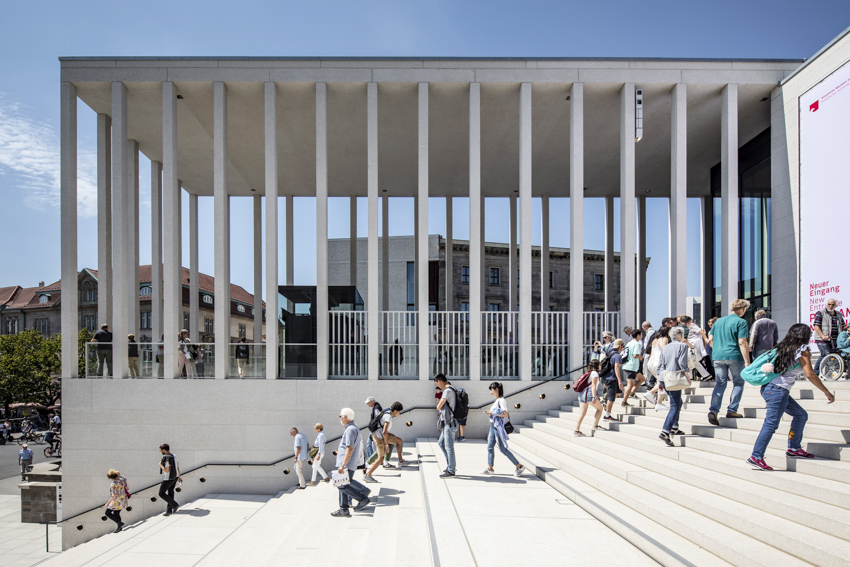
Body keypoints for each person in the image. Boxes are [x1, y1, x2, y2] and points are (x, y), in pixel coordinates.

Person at [747, 324, 835, 470]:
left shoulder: (782, 347)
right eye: (809, 333)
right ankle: (756, 456)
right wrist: (826, 392)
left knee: (801, 415)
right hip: (777, 391)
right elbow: (810, 374)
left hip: (771, 389)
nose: (810, 335)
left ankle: (794, 448)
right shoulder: (802, 349)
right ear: (804, 335)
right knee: (771, 424)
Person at [707, 299, 751, 426]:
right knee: (738, 383)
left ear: (732, 309)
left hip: (718, 356)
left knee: (720, 384)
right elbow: (742, 342)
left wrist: (718, 349)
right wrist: (747, 361)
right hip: (734, 356)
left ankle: (713, 410)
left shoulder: (718, 321)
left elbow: (710, 339)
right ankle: (732, 410)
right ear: (743, 310)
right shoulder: (741, 322)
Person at [331, 407, 371, 517]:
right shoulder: (352, 428)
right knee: (342, 485)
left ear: (345, 417)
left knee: (342, 486)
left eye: (340, 416)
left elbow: (349, 448)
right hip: (348, 463)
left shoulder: (350, 430)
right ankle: (343, 509)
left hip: (346, 464)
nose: (339, 418)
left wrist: (343, 465)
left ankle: (362, 498)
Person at [658, 327, 692, 447]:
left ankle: (674, 427)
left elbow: (660, 364)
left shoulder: (665, 347)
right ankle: (665, 431)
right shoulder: (683, 346)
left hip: (664, 377)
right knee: (675, 405)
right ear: (681, 335)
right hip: (674, 377)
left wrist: (659, 380)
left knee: (677, 402)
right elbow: (682, 363)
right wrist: (688, 377)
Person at [481, 382, 525, 476]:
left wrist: (492, 413)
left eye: (491, 389)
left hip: (498, 427)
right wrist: (491, 412)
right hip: (493, 426)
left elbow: (505, 414)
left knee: (502, 449)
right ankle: (490, 469)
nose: (490, 392)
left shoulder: (501, 400)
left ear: (496, 389)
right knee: (490, 447)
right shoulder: (497, 400)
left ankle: (519, 466)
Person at [364, 402, 410, 482]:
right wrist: (387, 445)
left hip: (382, 435)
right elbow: (384, 432)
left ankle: (400, 461)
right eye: (399, 412)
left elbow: (383, 429)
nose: (399, 414)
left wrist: (389, 435)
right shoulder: (388, 416)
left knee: (399, 441)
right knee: (380, 458)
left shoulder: (388, 412)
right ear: (395, 411)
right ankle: (367, 475)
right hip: (378, 437)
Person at [435, 374, 458, 478]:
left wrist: (439, 403)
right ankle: (450, 465)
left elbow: (438, 406)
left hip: (450, 422)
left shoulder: (447, 391)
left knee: (449, 447)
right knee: (441, 443)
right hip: (450, 422)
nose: (437, 385)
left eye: (436, 383)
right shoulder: (453, 389)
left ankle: (451, 470)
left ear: (439, 381)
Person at [813, 298, 845, 374]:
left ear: (836, 305)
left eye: (833, 304)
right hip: (822, 339)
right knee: (825, 354)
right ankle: (815, 373)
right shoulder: (821, 313)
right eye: (829, 304)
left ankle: (828, 374)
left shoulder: (839, 314)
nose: (830, 306)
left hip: (835, 340)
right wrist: (823, 336)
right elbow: (816, 326)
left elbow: (843, 326)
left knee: (833, 356)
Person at [574, 360, 604, 436]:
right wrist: (594, 396)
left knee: (582, 413)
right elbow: (593, 386)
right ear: (597, 366)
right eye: (600, 365)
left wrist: (596, 394)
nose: (600, 366)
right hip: (589, 393)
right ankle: (595, 425)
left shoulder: (588, 373)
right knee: (600, 409)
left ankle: (576, 430)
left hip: (582, 394)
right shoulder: (595, 373)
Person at [600, 339, 626, 421]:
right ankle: (607, 415)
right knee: (611, 398)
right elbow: (616, 368)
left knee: (619, 392)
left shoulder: (611, 353)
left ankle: (606, 402)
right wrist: (620, 381)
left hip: (606, 377)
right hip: (611, 379)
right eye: (623, 346)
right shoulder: (617, 355)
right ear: (620, 346)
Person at [621, 329, 646, 406]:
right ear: (638, 335)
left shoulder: (629, 343)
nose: (642, 336)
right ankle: (624, 401)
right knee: (630, 384)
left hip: (627, 365)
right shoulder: (637, 344)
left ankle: (632, 392)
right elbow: (635, 355)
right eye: (641, 335)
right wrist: (640, 357)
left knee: (642, 378)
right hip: (632, 366)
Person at [158, 443, 182, 516]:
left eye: (160, 450)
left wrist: (160, 465)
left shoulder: (167, 458)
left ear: (164, 450)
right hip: (175, 477)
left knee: (161, 493)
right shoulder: (174, 455)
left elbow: (166, 470)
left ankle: (174, 505)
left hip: (168, 478)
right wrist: (179, 476)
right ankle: (169, 510)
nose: (160, 452)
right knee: (170, 492)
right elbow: (177, 467)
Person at [364, 396, 383, 466]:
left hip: (375, 429)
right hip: (375, 428)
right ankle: (375, 459)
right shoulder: (376, 407)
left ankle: (373, 459)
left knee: (371, 444)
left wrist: (372, 427)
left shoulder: (376, 408)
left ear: (372, 402)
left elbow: (377, 419)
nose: (367, 404)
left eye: (368, 402)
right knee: (372, 444)